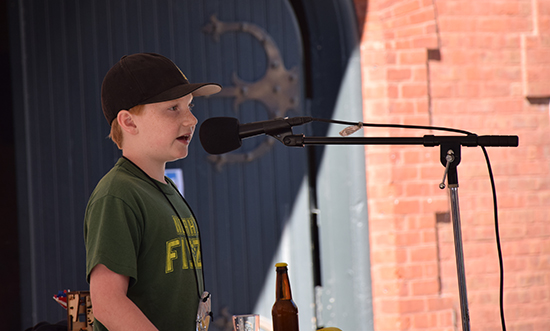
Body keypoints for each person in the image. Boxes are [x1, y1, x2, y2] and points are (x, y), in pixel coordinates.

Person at [84, 53, 221, 330]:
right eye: (173, 108)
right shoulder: (118, 194)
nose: (191, 120)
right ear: (129, 122)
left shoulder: (166, 191)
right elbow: (108, 303)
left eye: (189, 106)